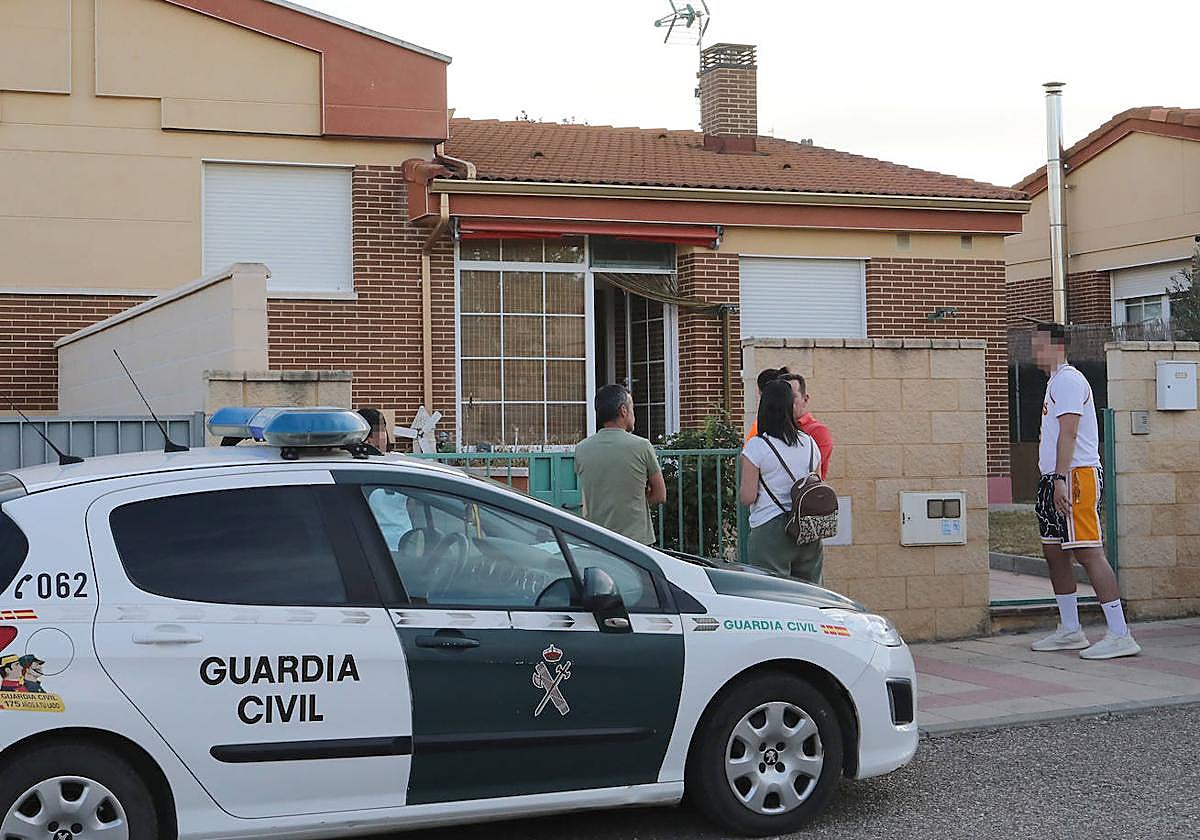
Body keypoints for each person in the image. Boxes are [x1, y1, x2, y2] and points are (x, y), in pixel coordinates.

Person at [1030, 323, 1139, 659]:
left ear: (1058, 346)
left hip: (1076, 477)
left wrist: (1061, 478)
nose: (1035, 351)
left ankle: (1120, 634)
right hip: (1055, 477)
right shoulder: (1054, 382)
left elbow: (1069, 434)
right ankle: (1070, 629)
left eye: (1040, 344)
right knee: (1055, 554)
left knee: (1089, 551)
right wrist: (1052, 478)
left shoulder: (1068, 380)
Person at [739, 379, 824, 584]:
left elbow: (748, 497)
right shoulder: (810, 442)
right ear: (790, 407)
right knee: (811, 595)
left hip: (770, 529)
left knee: (772, 595)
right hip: (808, 527)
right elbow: (817, 484)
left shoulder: (757, 447)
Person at [574, 385, 667, 545]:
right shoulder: (642, 446)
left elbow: (587, 497)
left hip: (597, 539)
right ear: (623, 410)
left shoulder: (581, 449)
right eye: (632, 408)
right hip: (636, 541)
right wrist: (639, 497)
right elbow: (660, 495)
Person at [745, 367, 834, 480]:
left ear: (805, 399)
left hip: (800, 495)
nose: (787, 401)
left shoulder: (816, 432)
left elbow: (807, 472)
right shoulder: (763, 429)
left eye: (792, 396)